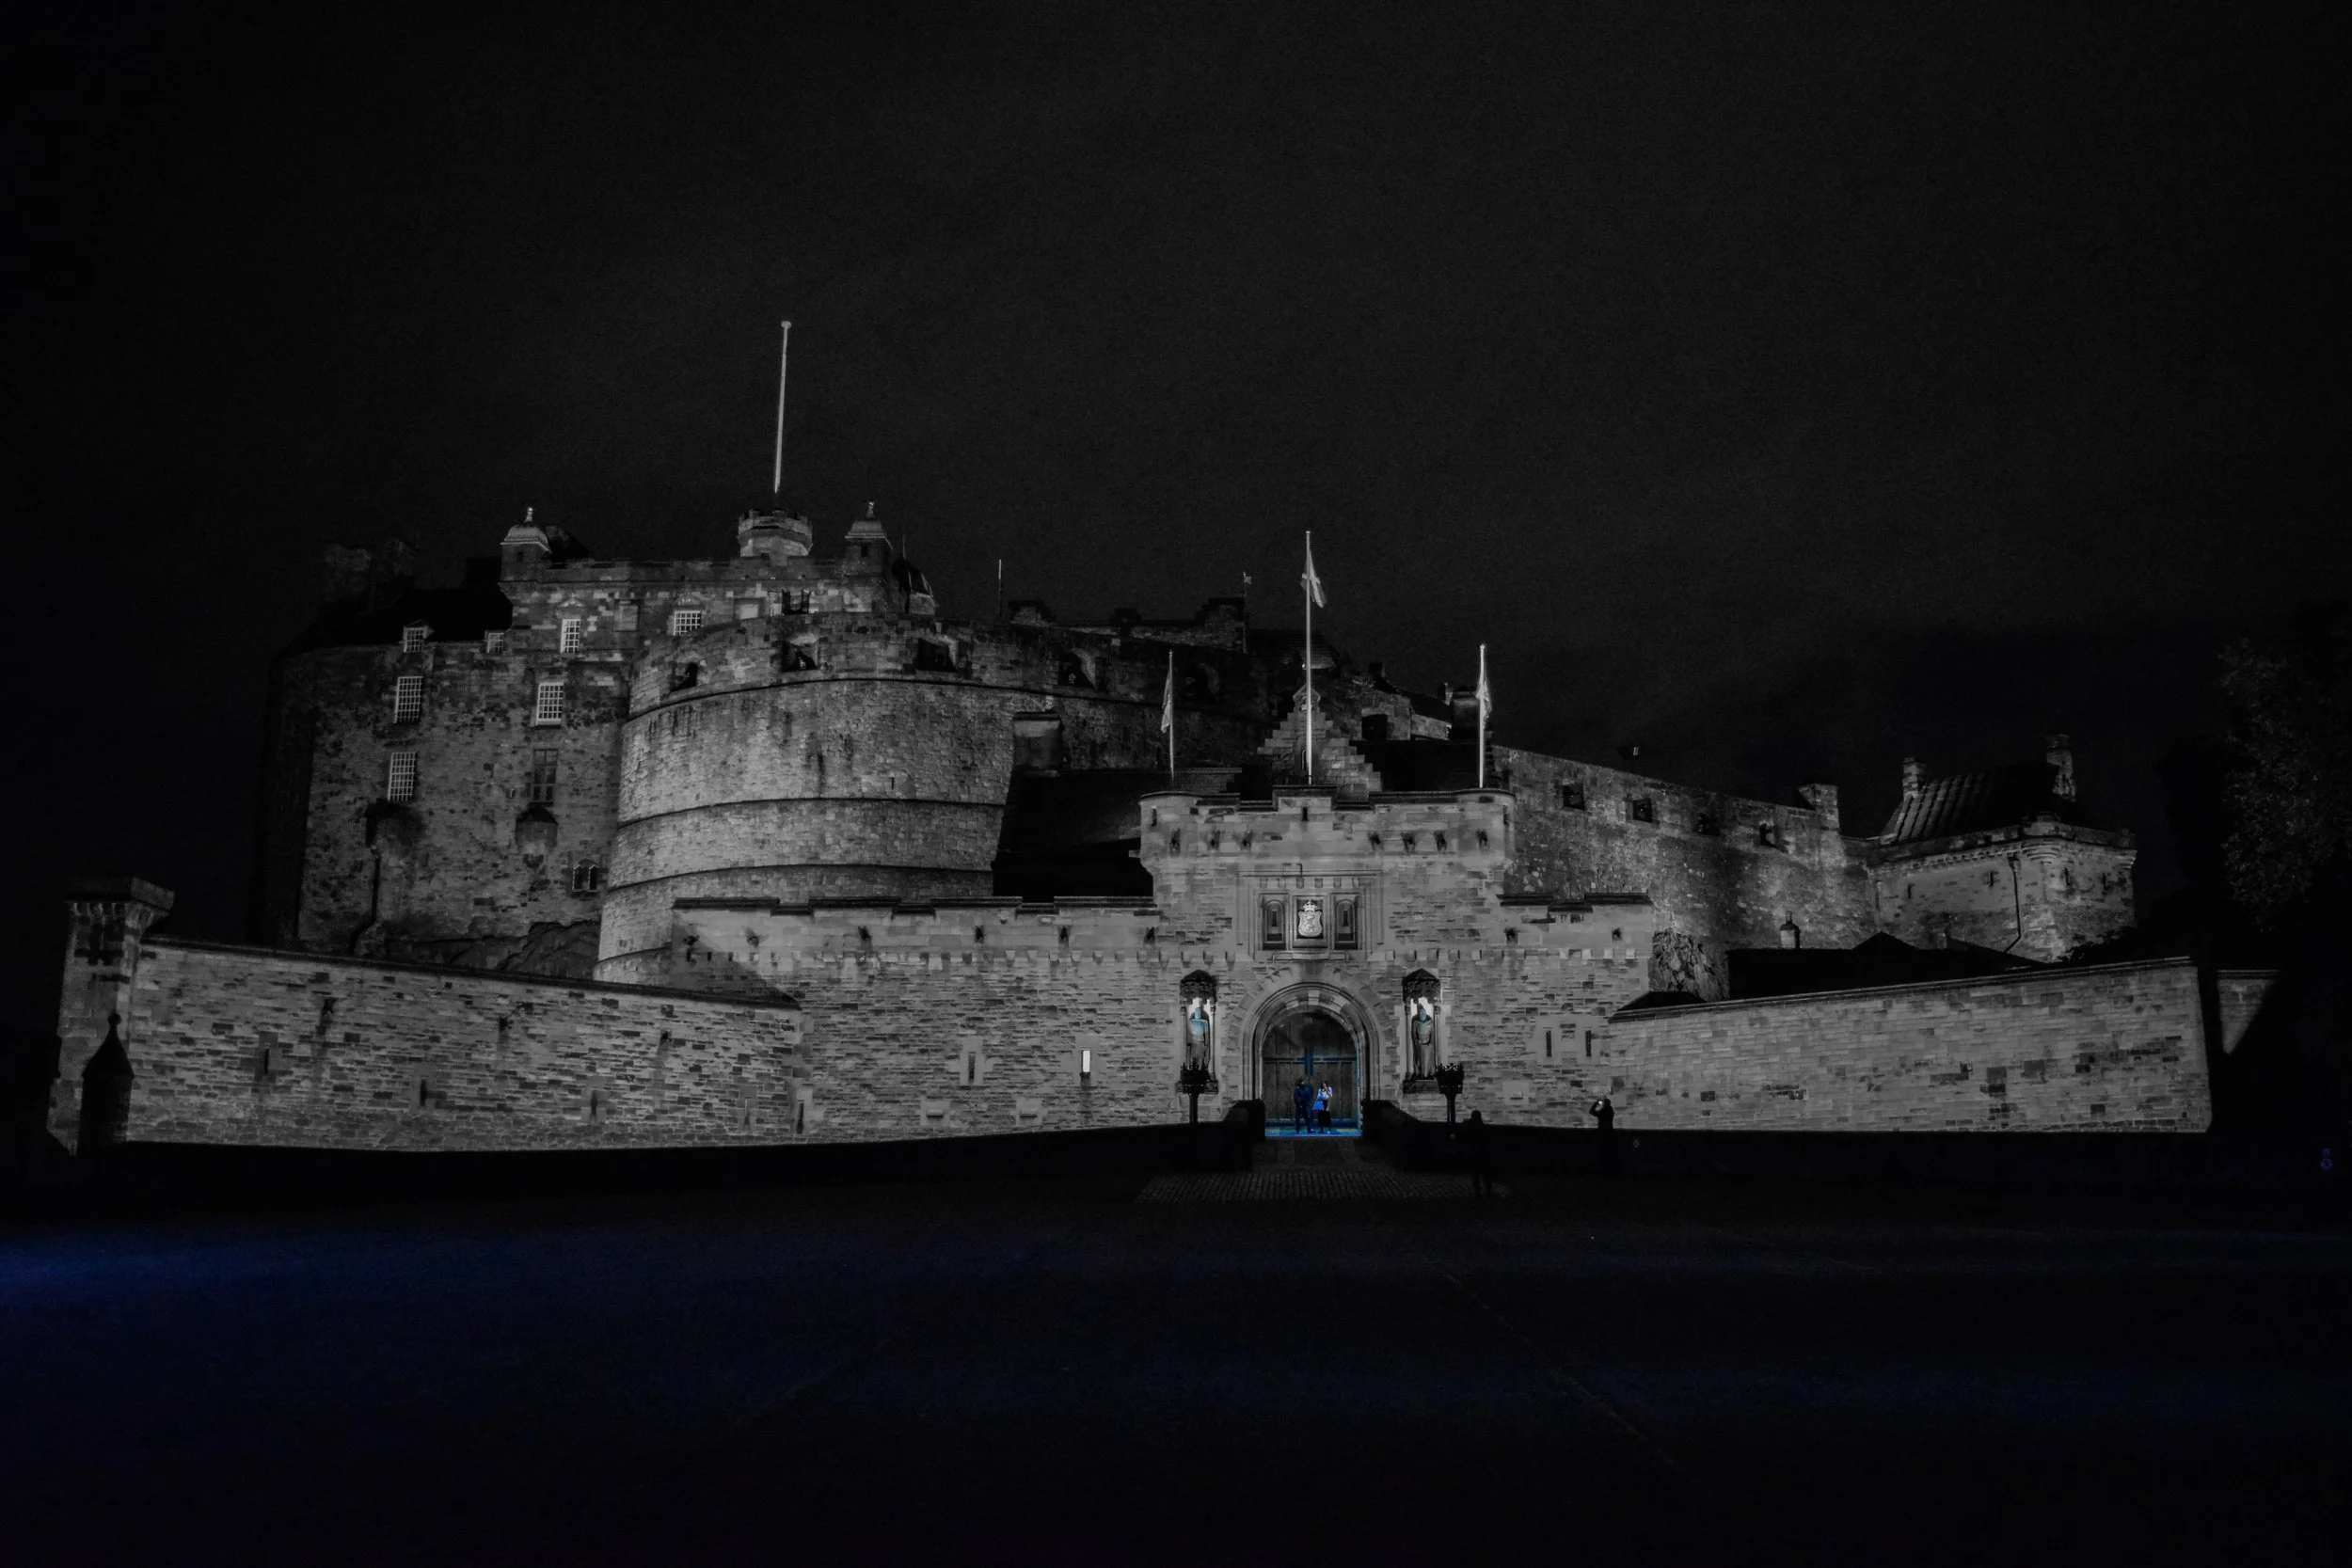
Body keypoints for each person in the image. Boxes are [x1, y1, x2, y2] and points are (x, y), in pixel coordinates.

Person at [1465, 1109, 1493, 1197]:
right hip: (1483, 1154)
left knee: (1475, 1175)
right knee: (1486, 1175)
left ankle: (1477, 1193)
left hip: (1474, 1153)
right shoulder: (1483, 1127)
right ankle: (1488, 1192)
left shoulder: (1469, 1126)